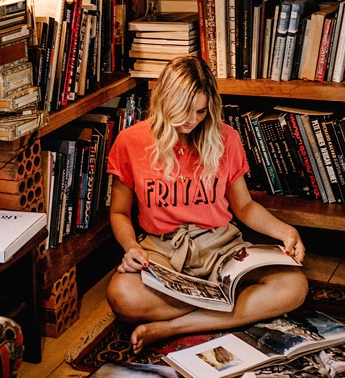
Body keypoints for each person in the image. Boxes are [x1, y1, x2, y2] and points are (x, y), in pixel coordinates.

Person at [106, 56, 308, 353]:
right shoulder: (130, 141)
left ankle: (172, 328)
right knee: (121, 296)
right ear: (163, 102)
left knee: (294, 286)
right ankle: (229, 306)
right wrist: (131, 248)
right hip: (162, 251)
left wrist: (286, 232)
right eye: (182, 111)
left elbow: (245, 207)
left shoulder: (227, 138)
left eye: (200, 111)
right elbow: (120, 212)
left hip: (221, 247)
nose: (191, 120)